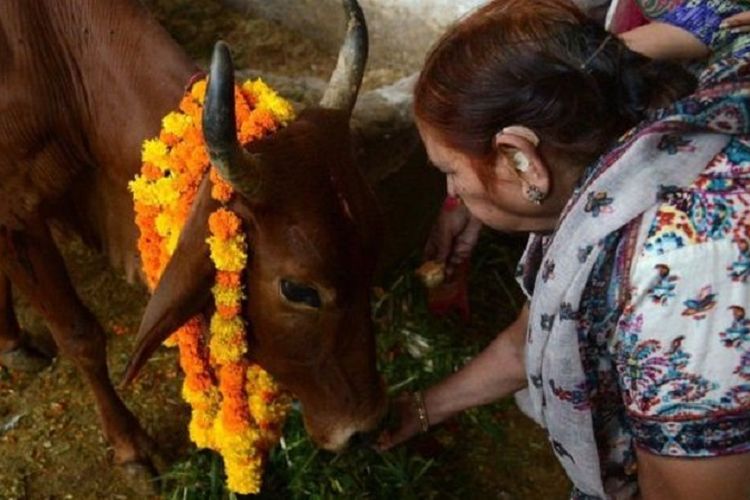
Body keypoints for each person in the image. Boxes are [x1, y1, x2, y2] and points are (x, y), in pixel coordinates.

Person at [377, 1, 750, 498]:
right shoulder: (615, 160)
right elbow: (533, 333)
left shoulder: (679, 274)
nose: (452, 193)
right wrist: (425, 408)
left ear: (522, 161)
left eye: (450, 169)